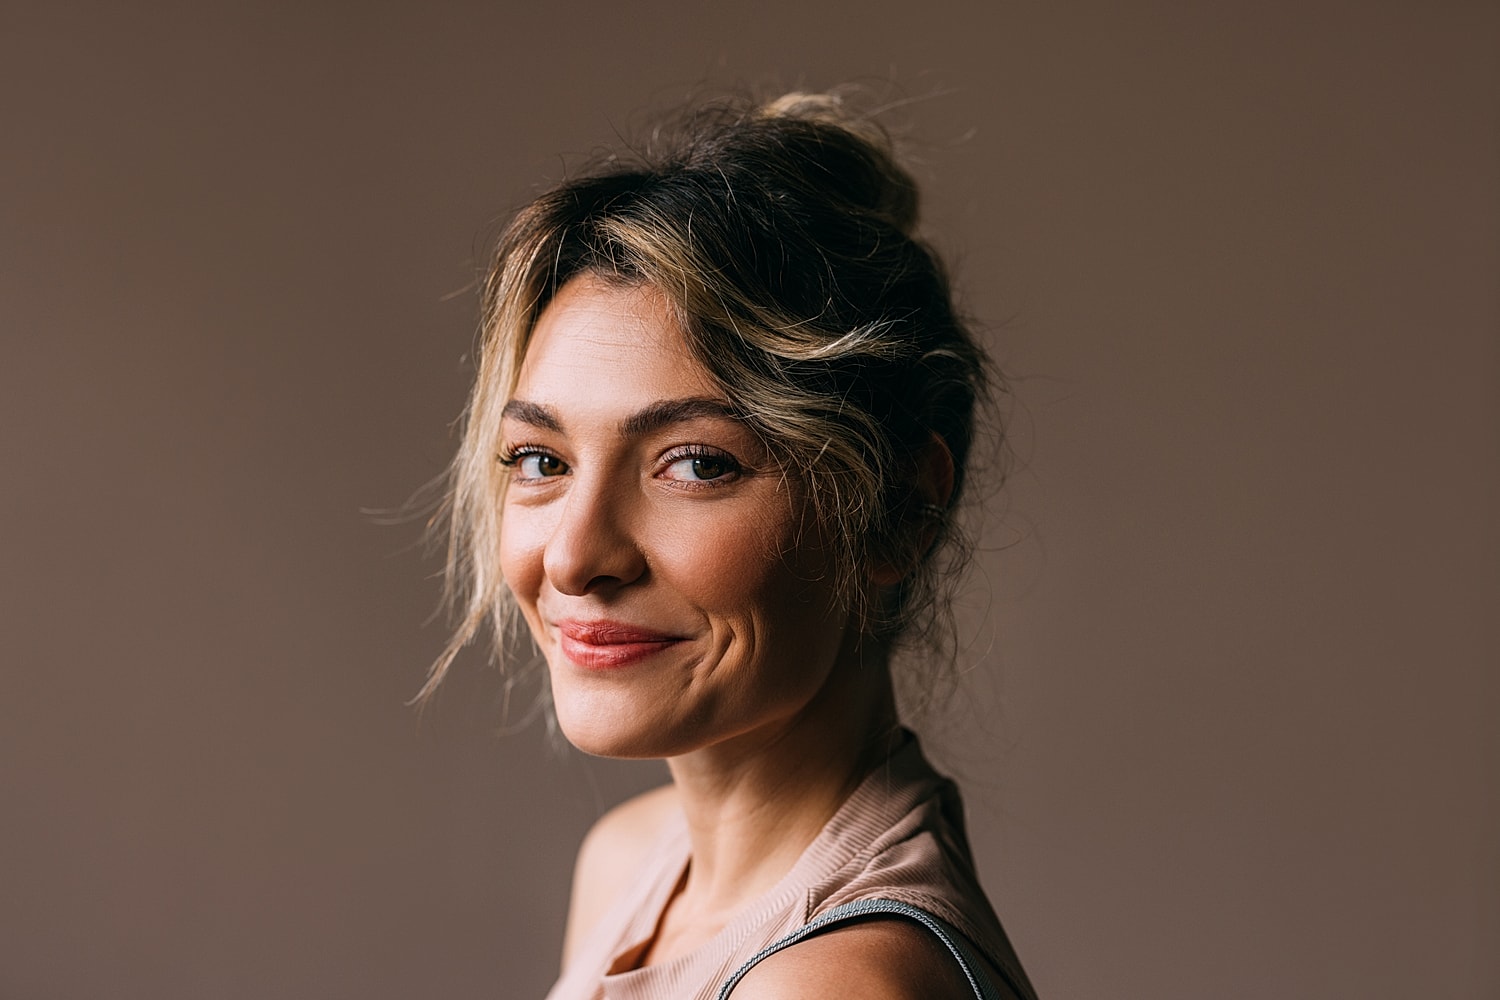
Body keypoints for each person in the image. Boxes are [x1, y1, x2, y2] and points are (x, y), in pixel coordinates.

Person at [427, 90, 1039, 1000]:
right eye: (539, 459)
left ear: (900, 510)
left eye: (696, 464)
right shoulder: (632, 865)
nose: (572, 556)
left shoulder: (829, 984)